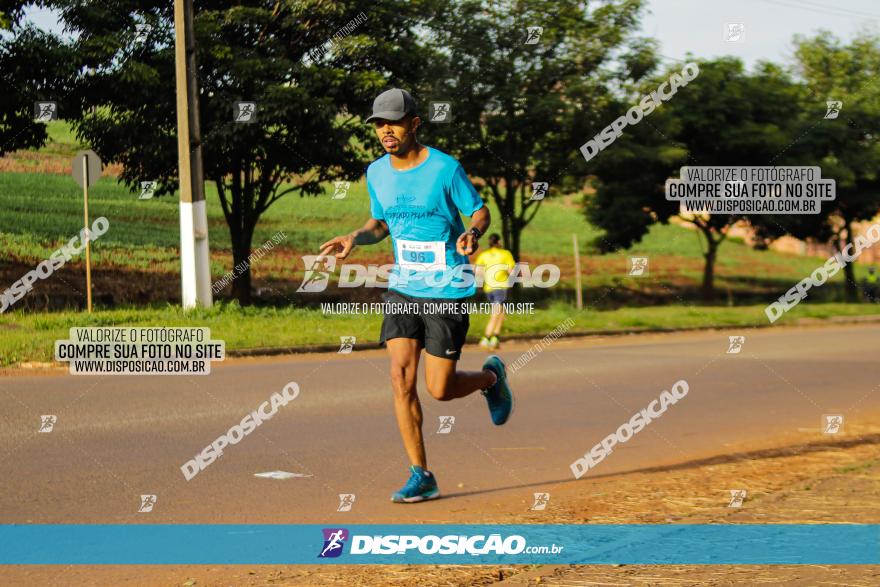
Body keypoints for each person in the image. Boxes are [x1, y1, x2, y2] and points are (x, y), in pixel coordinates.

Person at [319, 88, 514, 503]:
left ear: (415, 124)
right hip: (404, 288)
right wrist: (355, 237)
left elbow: (480, 211)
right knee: (399, 378)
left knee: (439, 390)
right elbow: (380, 224)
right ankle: (421, 473)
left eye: (394, 122)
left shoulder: (445, 169)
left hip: (446, 289)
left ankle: (490, 378)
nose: (386, 131)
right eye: (379, 124)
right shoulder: (377, 173)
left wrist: (472, 232)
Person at [474, 234, 516, 349]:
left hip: (488, 288)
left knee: (502, 312)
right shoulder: (505, 254)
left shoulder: (484, 255)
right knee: (496, 313)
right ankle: (486, 337)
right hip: (500, 287)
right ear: (498, 242)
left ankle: (495, 337)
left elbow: (478, 272)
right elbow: (511, 272)